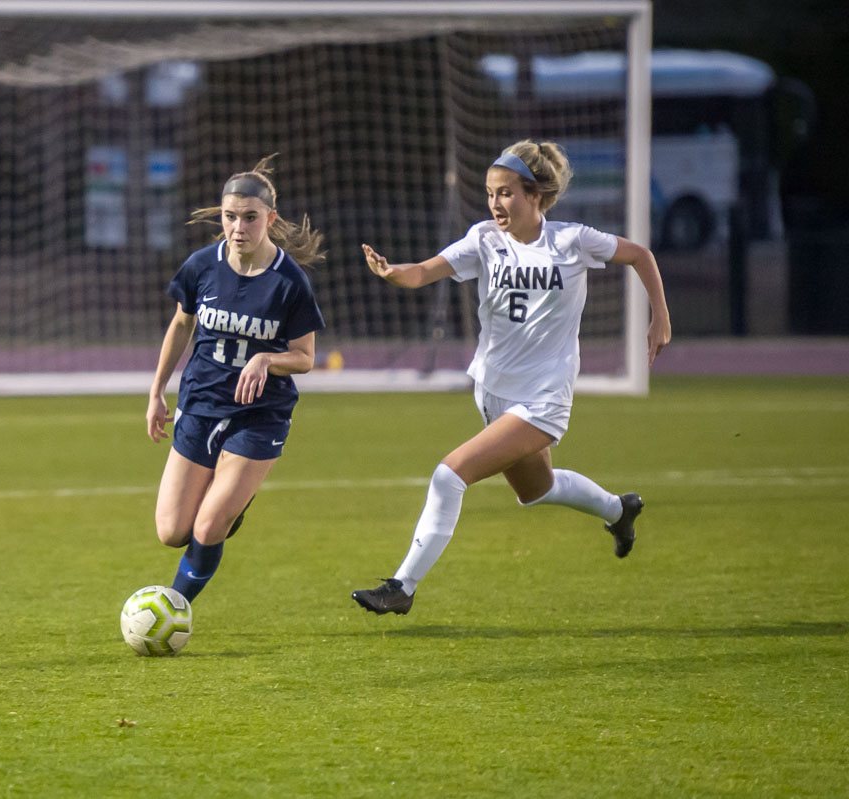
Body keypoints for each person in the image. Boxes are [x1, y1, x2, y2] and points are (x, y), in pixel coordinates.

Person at [352, 139, 671, 615]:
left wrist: (659, 317)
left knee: (449, 475)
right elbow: (423, 272)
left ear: (534, 195)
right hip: (493, 389)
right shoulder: (484, 239)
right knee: (536, 491)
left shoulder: (572, 240)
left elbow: (641, 255)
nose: (496, 204)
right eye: (490, 193)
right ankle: (619, 510)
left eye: (505, 193)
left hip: (544, 398)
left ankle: (402, 587)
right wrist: (393, 272)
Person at [146, 157, 326, 602]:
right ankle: (230, 508)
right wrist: (155, 393)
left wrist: (267, 359)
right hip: (201, 403)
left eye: (249, 217)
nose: (238, 226)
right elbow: (180, 325)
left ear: (270, 218)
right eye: (230, 216)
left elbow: (305, 359)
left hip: (259, 415)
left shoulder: (290, 282)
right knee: (172, 531)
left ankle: (174, 607)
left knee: (207, 527)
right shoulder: (201, 266)